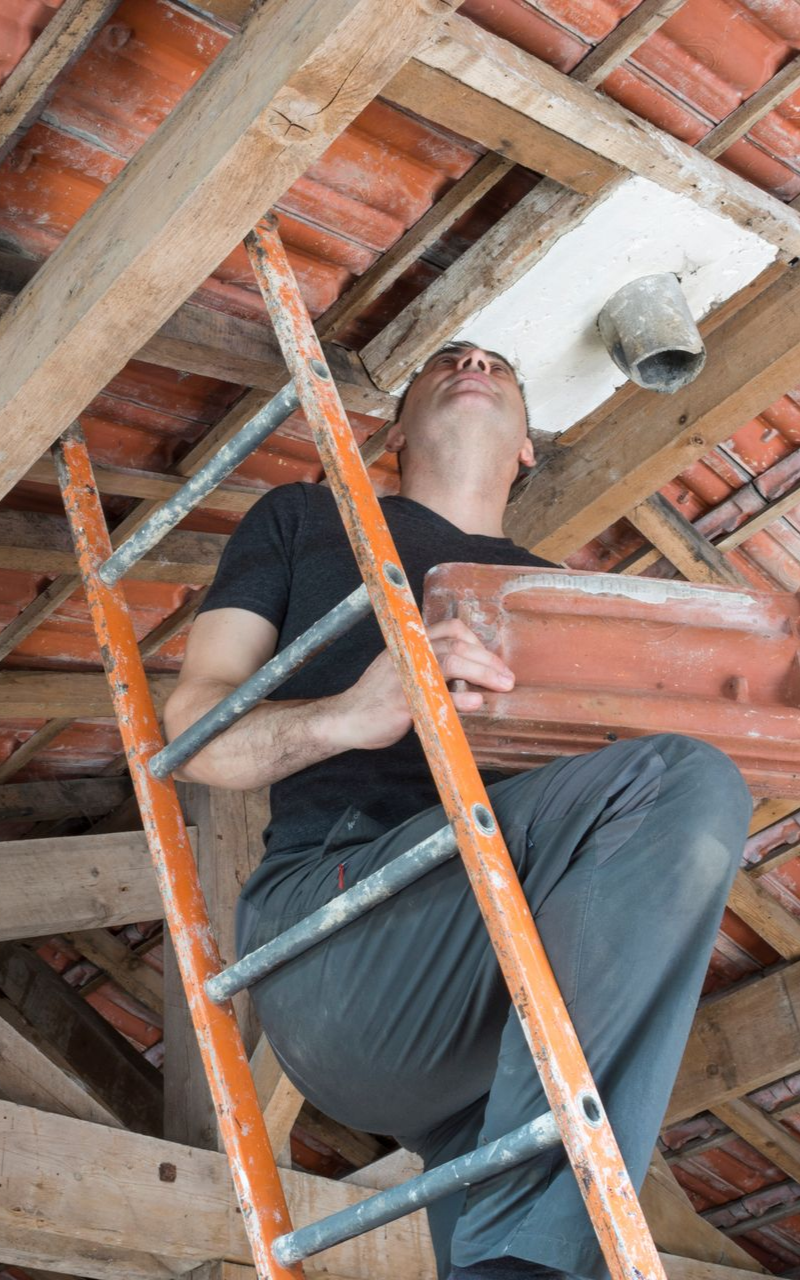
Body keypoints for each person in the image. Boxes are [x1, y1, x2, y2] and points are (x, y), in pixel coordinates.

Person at [164, 341, 752, 1280]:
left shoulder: (563, 605)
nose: (475, 359)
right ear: (393, 430)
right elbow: (191, 731)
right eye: (447, 357)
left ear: (529, 445)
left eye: (502, 365)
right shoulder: (309, 520)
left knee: (680, 802)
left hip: (490, 1044)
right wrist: (349, 714)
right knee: (690, 780)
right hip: (339, 938)